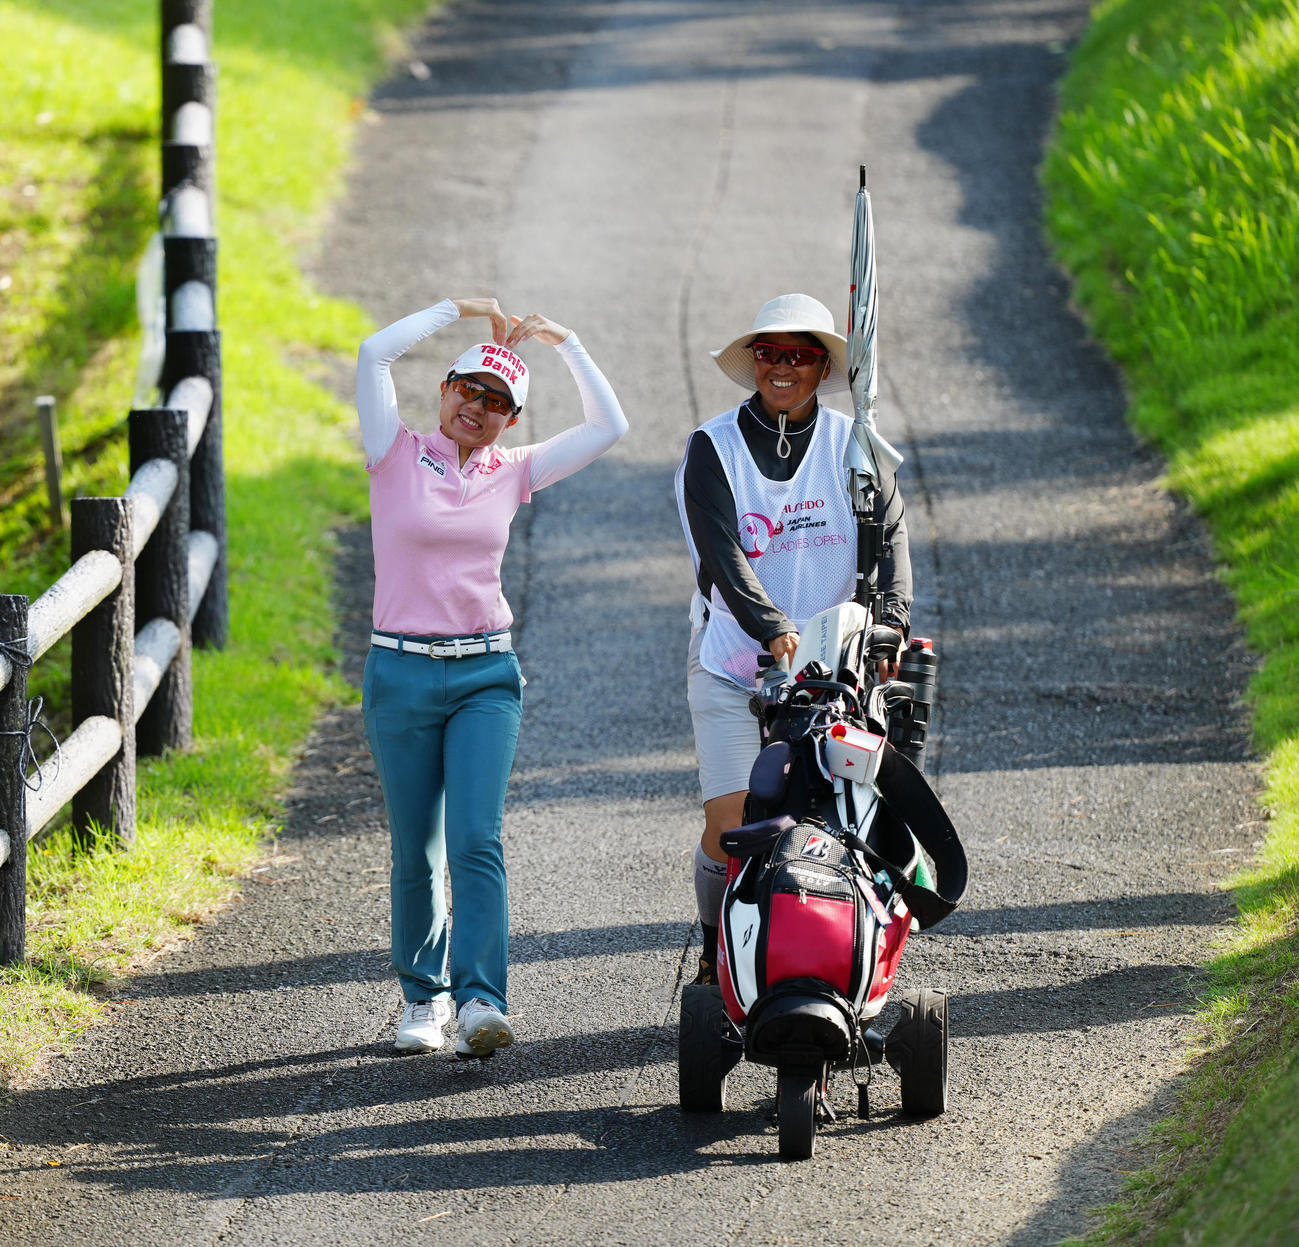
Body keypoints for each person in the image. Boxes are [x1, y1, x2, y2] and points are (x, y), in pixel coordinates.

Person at [356, 296, 627, 1056]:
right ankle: (423, 996)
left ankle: (480, 999)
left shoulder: (514, 470)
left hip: (484, 675)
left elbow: (610, 427)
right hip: (399, 672)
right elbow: (373, 353)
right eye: (468, 389)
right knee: (418, 849)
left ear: (511, 420)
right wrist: (457, 308)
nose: (477, 407)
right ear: (444, 388)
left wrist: (567, 341)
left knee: (476, 838)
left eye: (497, 401)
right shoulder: (392, 449)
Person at [674, 293, 913, 984]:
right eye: (769, 353)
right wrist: (775, 629)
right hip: (734, 662)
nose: (782, 367)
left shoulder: (855, 445)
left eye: (800, 356)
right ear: (754, 361)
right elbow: (723, 558)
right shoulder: (711, 447)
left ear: (822, 367)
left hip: (835, 670)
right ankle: (716, 953)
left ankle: (828, 952)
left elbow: (892, 539)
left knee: (838, 821)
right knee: (732, 824)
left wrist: (891, 620)